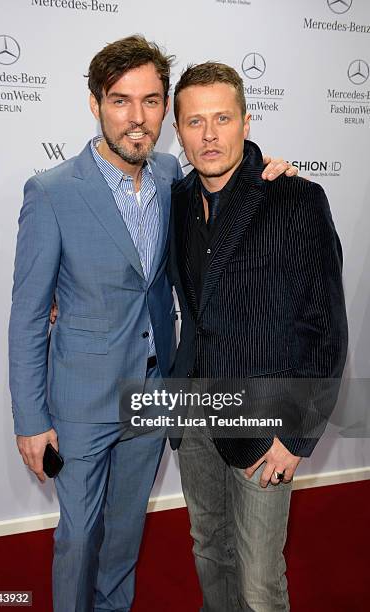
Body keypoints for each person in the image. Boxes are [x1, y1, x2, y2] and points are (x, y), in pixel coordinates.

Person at [8, 35, 297, 612]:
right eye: (121, 101)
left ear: (165, 108)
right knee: (79, 540)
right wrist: (31, 419)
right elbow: (27, 317)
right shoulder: (52, 192)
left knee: (123, 538)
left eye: (151, 101)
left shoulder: (172, 175)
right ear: (95, 104)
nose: (137, 118)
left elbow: (231, 177)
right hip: (82, 400)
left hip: (155, 396)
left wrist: (270, 168)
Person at [168, 62, 348, 612]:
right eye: (195, 122)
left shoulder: (294, 197)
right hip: (194, 411)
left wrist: (295, 437)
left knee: (260, 585)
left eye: (222, 118)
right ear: (178, 131)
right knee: (210, 552)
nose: (209, 134)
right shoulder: (176, 201)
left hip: (264, 421)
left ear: (247, 121)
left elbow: (324, 331)